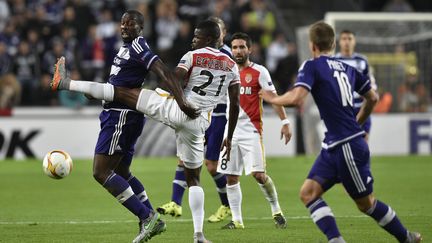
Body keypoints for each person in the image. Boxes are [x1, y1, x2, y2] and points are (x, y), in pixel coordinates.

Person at [52, 19, 240, 243]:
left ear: (208, 39)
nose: (193, 40)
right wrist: (229, 136)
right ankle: (199, 235)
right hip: (200, 123)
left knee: (122, 93)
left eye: (197, 37)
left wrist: (180, 101)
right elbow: (235, 104)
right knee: (194, 180)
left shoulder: (193, 56)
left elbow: (173, 78)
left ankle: (66, 84)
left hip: (179, 109)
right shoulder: (232, 65)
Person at [261, 21, 422, 243]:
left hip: (346, 146)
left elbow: (297, 97)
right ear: (334, 44)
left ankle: (406, 237)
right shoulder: (349, 69)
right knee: (308, 193)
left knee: (367, 204)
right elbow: (373, 97)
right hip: (334, 145)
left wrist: (271, 98)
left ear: (312, 45)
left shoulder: (312, 65)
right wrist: (359, 121)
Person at [157, 16, 232, 224]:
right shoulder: (201, 55)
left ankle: (228, 204)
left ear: (221, 33)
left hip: (216, 114)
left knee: (211, 165)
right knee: (185, 159)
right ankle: (176, 203)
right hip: (199, 113)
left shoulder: (227, 56)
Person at [217, 32, 291, 230]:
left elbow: (273, 97)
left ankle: (276, 210)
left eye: (242, 47)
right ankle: (237, 220)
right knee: (231, 177)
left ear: (250, 49)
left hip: (251, 131)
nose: (238, 51)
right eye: (234, 47)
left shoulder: (260, 72)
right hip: (230, 131)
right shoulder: (226, 72)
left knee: (259, 174)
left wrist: (285, 121)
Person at [334, 30, 376, 142]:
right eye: (344, 39)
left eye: (349, 38)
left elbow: (370, 82)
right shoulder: (334, 60)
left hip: (362, 107)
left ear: (354, 41)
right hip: (343, 109)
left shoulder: (362, 60)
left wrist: (371, 92)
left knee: (363, 143)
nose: (347, 42)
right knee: (344, 144)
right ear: (339, 42)